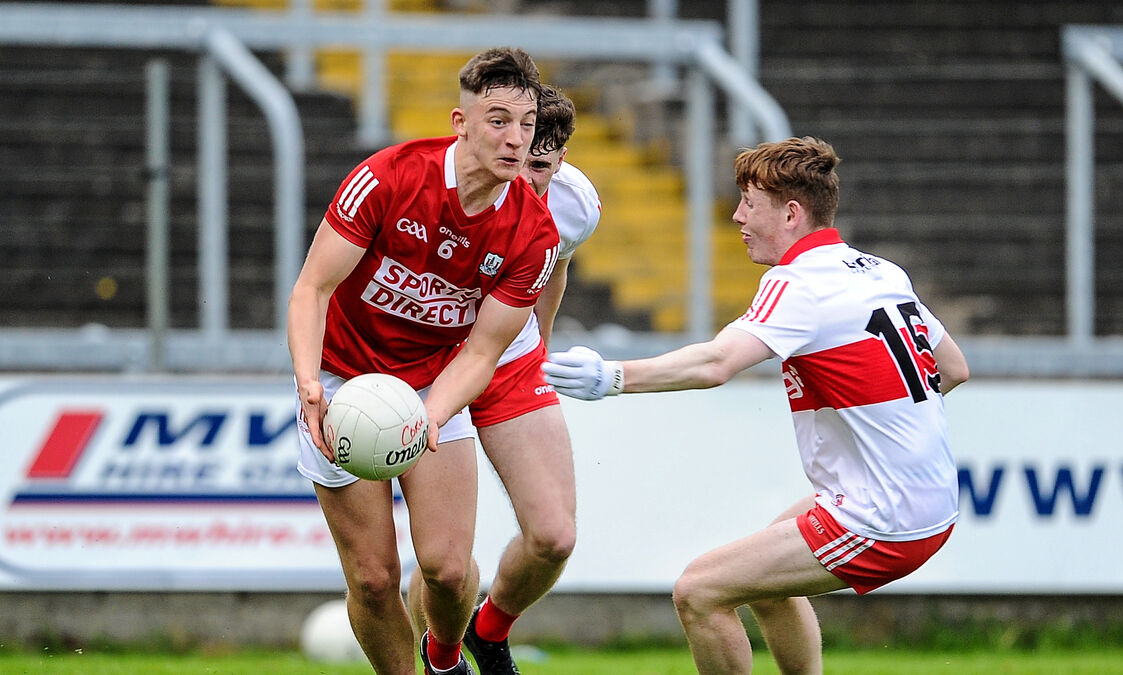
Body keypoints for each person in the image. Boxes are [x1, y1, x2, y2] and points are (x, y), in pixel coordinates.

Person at [541, 136, 969, 675]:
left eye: (749, 203)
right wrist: (881, 420)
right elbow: (954, 368)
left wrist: (611, 377)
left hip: (884, 516)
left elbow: (716, 362)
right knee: (767, 585)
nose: (737, 217)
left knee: (700, 591)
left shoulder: (797, 282)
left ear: (791, 214)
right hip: (930, 498)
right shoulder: (882, 271)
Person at [288, 47, 559, 675]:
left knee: (448, 568)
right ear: (460, 123)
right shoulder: (389, 177)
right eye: (498, 121)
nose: (515, 139)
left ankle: (444, 661)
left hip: (432, 385)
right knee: (374, 578)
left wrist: (430, 415)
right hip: (340, 384)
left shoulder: (534, 234)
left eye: (526, 124)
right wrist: (308, 383)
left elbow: (483, 351)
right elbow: (312, 289)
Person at [407, 86, 602, 675]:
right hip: (432, 361)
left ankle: (488, 631)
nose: (522, 175)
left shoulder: (576, 205)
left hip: (510, 359)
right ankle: (442, 658)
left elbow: (554, 268)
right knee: (443, 559)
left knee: (554, 537)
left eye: (539, 165)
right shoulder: (445, 187)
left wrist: (542, 344)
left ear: (561, 158)